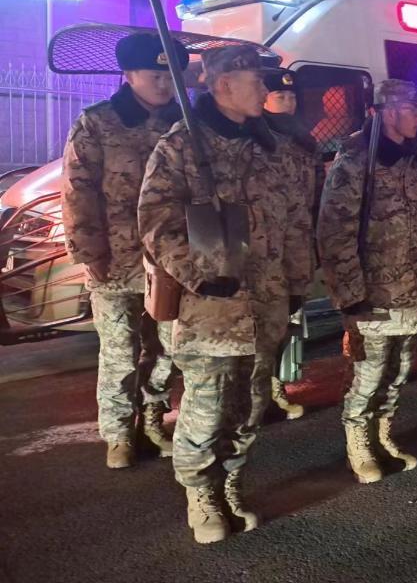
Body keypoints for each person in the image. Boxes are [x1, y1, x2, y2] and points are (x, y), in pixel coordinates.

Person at [138, 45, 313, 543]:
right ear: (223, 86)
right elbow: (155, 220)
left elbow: (295, 220)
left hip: (266, 301)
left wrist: (296, 283)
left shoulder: (270, 147)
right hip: (210, 307)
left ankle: (230, 480)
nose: (265, 88)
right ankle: (201, 492)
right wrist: (198, 273)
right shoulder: (181, 145)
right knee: (207, 405)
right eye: (256, 80)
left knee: (252, 404)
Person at [61, 33, 183, 469]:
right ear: (128, 75)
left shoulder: (182, 122)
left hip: (169, 260)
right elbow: (77, 190)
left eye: (170, 75)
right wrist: (88, 252)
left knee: (169, 347)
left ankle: (152, 417)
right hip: (114, 259)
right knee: (120, 352)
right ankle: (118, 435)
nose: (165, 83)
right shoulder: (98, 122)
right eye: (155, 75)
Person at [318, 79, 417, 483]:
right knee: (368, 372)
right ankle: (358, 442)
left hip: (414, 287)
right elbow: (335, 230)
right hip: (374, 291)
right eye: (412, 110)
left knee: (400, 368)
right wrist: (349, 293)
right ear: (389, 112)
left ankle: (383, 434)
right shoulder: (356, 159)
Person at [262, 70, 321, 419]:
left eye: (292, 97)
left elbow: (316, 196)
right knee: (262, 325)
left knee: (287, 323)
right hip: (265, 249)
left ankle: (275, 388)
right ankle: (258, 394)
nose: (288, 102)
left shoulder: (304, 140)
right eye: (280, 96)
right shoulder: (257, 137)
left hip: (296, 248)